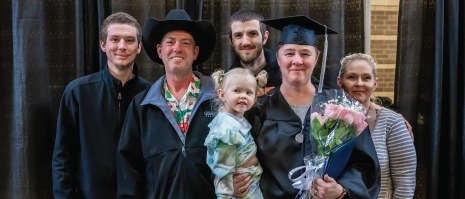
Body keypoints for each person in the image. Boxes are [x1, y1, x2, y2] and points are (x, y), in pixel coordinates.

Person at [235, 16, 381, 199]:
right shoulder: (257, 109)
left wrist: (342, 189)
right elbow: (232, 155)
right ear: (278, 57)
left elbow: (365, 166)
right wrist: (230, 179)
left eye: (305, 53)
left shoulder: (341, 108)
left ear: (316, 57)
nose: (297, 60)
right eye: (289, 53)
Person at [116, 9, 218, 198]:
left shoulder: (220, 99)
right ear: (159, 51)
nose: (177, 48)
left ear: (195, 52)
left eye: (185, 43)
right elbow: (129, 172)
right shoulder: (141, 107)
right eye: (170, 42)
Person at [52, 12, 151, 198]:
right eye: (115, 39)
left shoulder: (151, 96)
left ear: (139, 47)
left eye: (129, 40)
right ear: (103, 45)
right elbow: (63, 157)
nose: (122, 46)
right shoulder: (78, 92)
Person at [337, 53, 417, 199]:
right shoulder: (329, 121)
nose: (359, 83)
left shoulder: (392, 123)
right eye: (352, 77)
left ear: (375, 83)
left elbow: (405, 183)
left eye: (366, 78)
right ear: (340, 81)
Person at [205, 68, 267, 199]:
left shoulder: (236, 119)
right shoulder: (226, 127)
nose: (243, 95)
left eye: (248, 92)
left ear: (255, 98)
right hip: (240, 188)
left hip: (249, 182)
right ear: (222, 95)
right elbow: (222, 165)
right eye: (237, 91)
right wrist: (224, 195)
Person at [228, 9, 321, 92]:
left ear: (265, 37)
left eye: (253, 34)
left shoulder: (288, 67)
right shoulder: (229, 80)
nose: (245, 42)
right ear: (231, 40)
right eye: (238, 35)